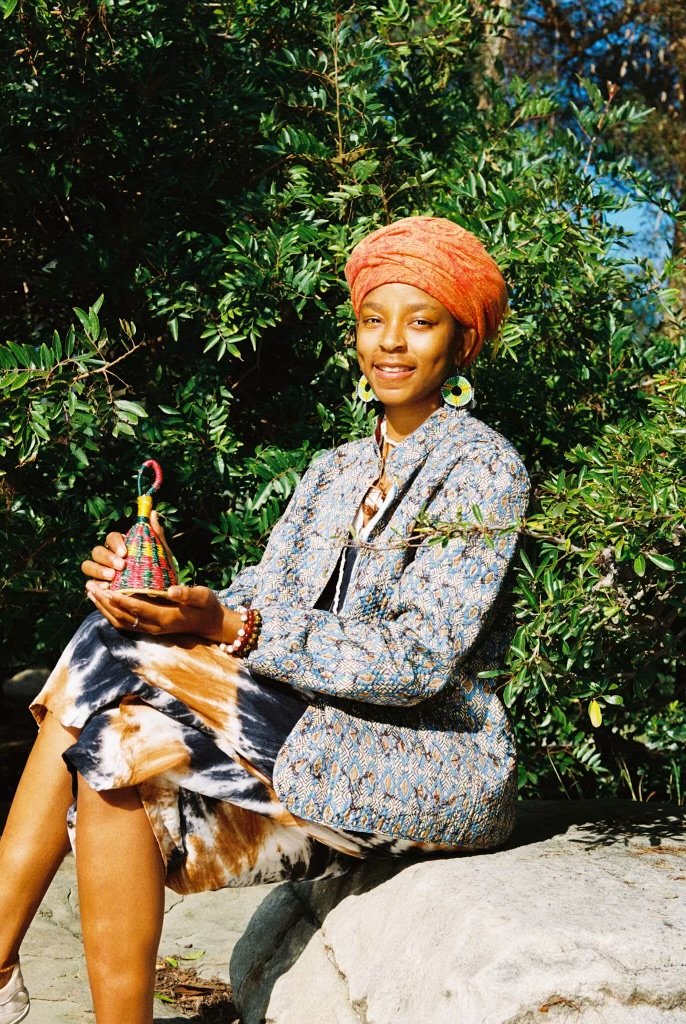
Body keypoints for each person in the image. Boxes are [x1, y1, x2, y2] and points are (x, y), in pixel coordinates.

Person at [0, 216, 529, 1024]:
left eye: (420, 322)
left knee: (111, 649)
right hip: (305, 741)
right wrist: (162, 592)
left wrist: (229, 626)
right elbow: (259, 594)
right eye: (372, 319)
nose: (390, 343)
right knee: (112, 747)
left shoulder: (485, 467)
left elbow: (417, 658)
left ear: (462, 341)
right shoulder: (333, 470)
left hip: (419, 764)